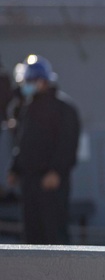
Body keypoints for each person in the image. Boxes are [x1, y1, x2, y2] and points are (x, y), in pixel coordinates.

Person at [6, 55, 81, 244]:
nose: (26, 86)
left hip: (51, 183)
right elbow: (22, 141)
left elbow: (67, 144)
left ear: (42, 81)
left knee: (54, 232)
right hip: (29, 182)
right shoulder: (28, 108)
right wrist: (15, 168)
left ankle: (60, 274)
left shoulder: (64, 109)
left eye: (29, 81)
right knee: (32, 234)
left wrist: (56, 171)